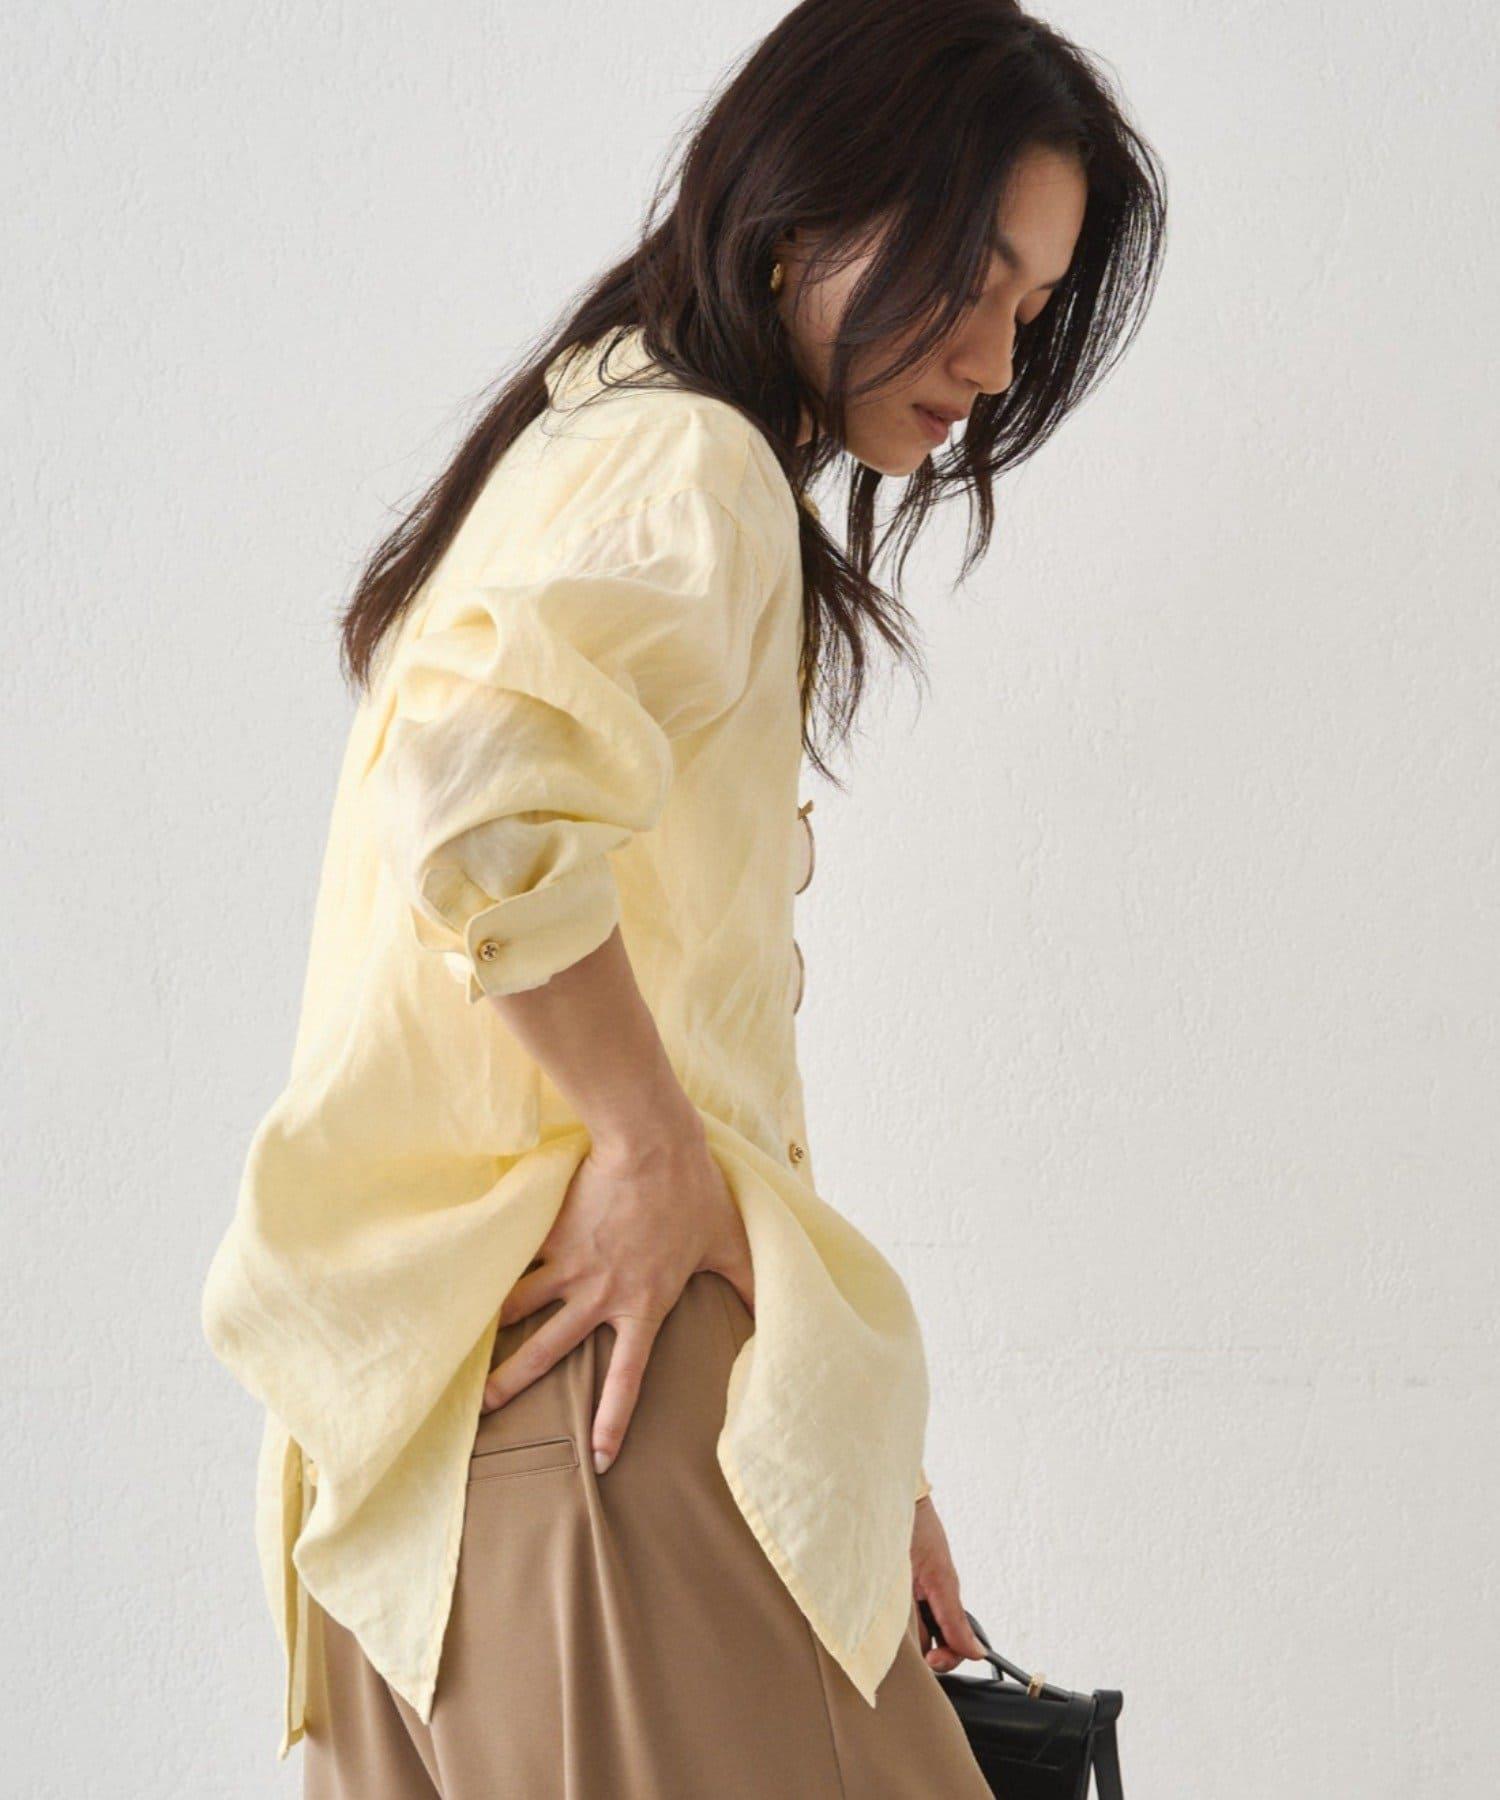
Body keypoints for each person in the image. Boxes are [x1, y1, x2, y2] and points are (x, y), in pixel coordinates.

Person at [200, 1, 1165, 1792]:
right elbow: (477, 787)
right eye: (973, 278)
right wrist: (646, 1147)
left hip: (419, 1447)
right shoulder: (693, 462)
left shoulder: (585, 440)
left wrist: (847, 1452)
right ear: (810, 206)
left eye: (1032, 311)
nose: (993, 359)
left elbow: (653, 991)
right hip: (595, 1407)